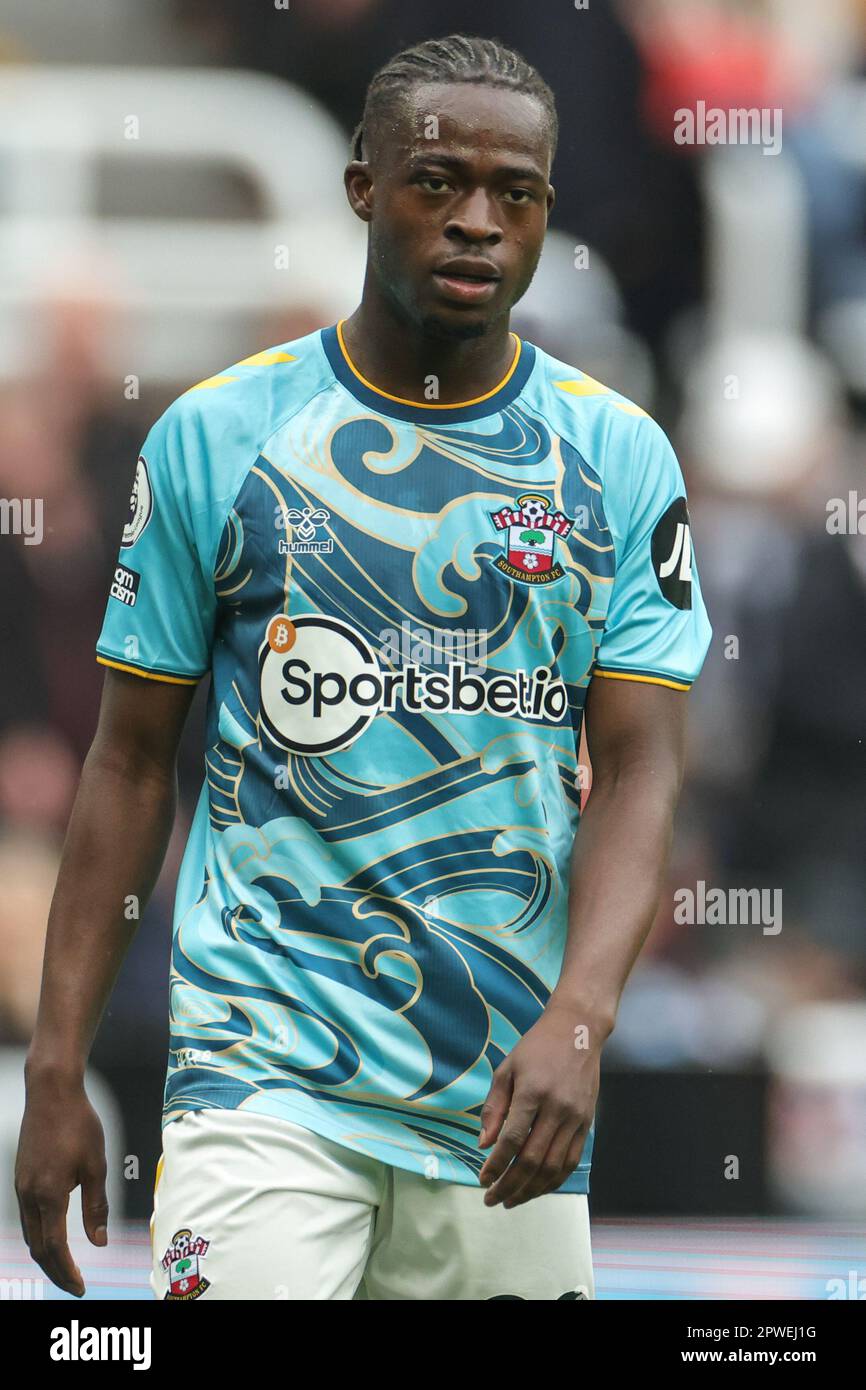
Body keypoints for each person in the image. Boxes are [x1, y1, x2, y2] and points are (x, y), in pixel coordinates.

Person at [16, 33, 711, 1301]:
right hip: (260, 1067)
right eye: (436, 182)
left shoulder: (615, 458)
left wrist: (579, 1019)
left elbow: (643, 767)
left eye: (515, 194)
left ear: (548, 210)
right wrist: (55, 1069)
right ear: (361, 190)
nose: (476, 224)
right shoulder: (217, 437)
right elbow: (125, 764)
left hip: (507, 1097)